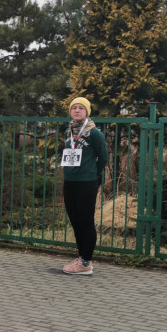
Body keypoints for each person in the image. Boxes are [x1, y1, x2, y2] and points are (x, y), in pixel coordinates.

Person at [60, 96, 108, 275]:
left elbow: (103, 157)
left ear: (87, 111)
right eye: (74, 108)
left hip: (86, 182)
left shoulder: (94, 132)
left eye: (81, 108)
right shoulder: (69, 131)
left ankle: (86, 263)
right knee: (75, 220)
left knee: (86, 220)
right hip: (70, 181)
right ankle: (81, 257)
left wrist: (93, 175)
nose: (77, 110)